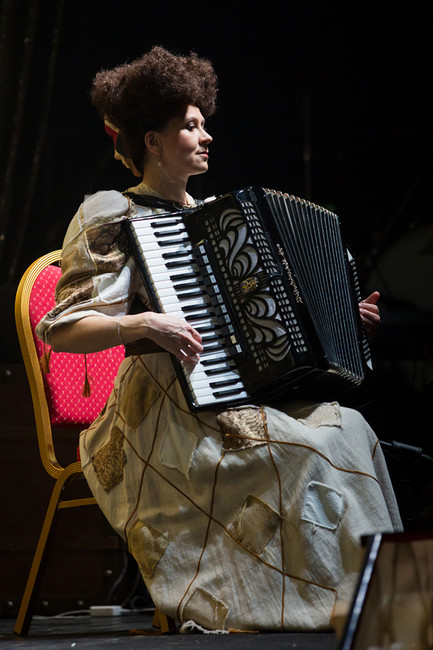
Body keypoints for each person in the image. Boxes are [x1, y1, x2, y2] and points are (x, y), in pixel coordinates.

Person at [36, 46, 401, 632]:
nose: (206, 136)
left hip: (229, 394)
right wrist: (142, 324)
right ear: (152, 142)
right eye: (190, 125)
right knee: (299, 451)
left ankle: (384, 605)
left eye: (204, 124)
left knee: (351, 427)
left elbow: (269, 325)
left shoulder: (218, 218)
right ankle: (317, 607)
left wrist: (339, 321)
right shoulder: (111, 214)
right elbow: (64, 329)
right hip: (158, 407)